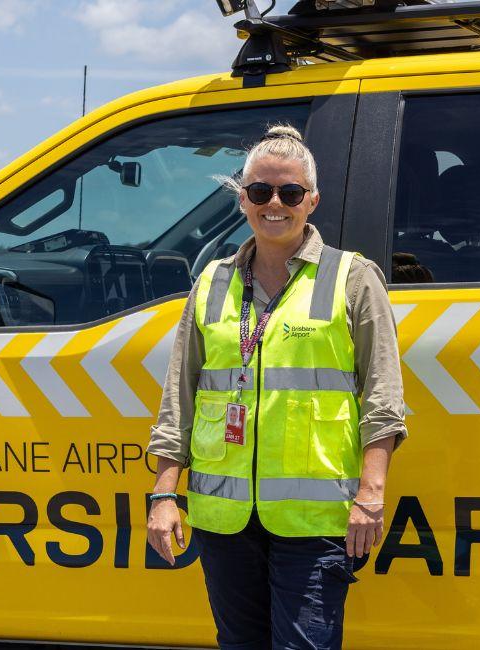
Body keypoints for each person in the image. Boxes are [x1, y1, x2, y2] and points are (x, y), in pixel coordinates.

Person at [145, 123, 408, 650]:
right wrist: (163, 495)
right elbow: (179, 401)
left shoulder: (352, 278)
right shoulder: (211, 282)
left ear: (311, 200)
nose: (275, 204)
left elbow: (384, 401)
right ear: (242, 199)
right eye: (260, 192)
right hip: (224, 518)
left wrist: (371, 498)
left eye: (289, 193)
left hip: (314, 520)